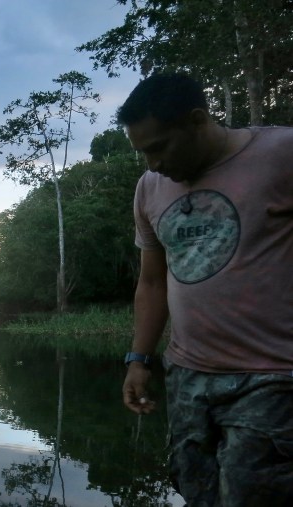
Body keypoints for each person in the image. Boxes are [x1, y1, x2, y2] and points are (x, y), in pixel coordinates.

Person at [117, 73, 293, 506]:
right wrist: (139, 359)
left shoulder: (281, 154)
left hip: (272, 375)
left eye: (158, 147)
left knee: (252, 494)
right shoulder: (150, 188)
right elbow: (154, 281)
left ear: (197, 120)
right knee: (195, 489)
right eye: (142, 152)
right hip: (188, 374)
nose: (152, 164)